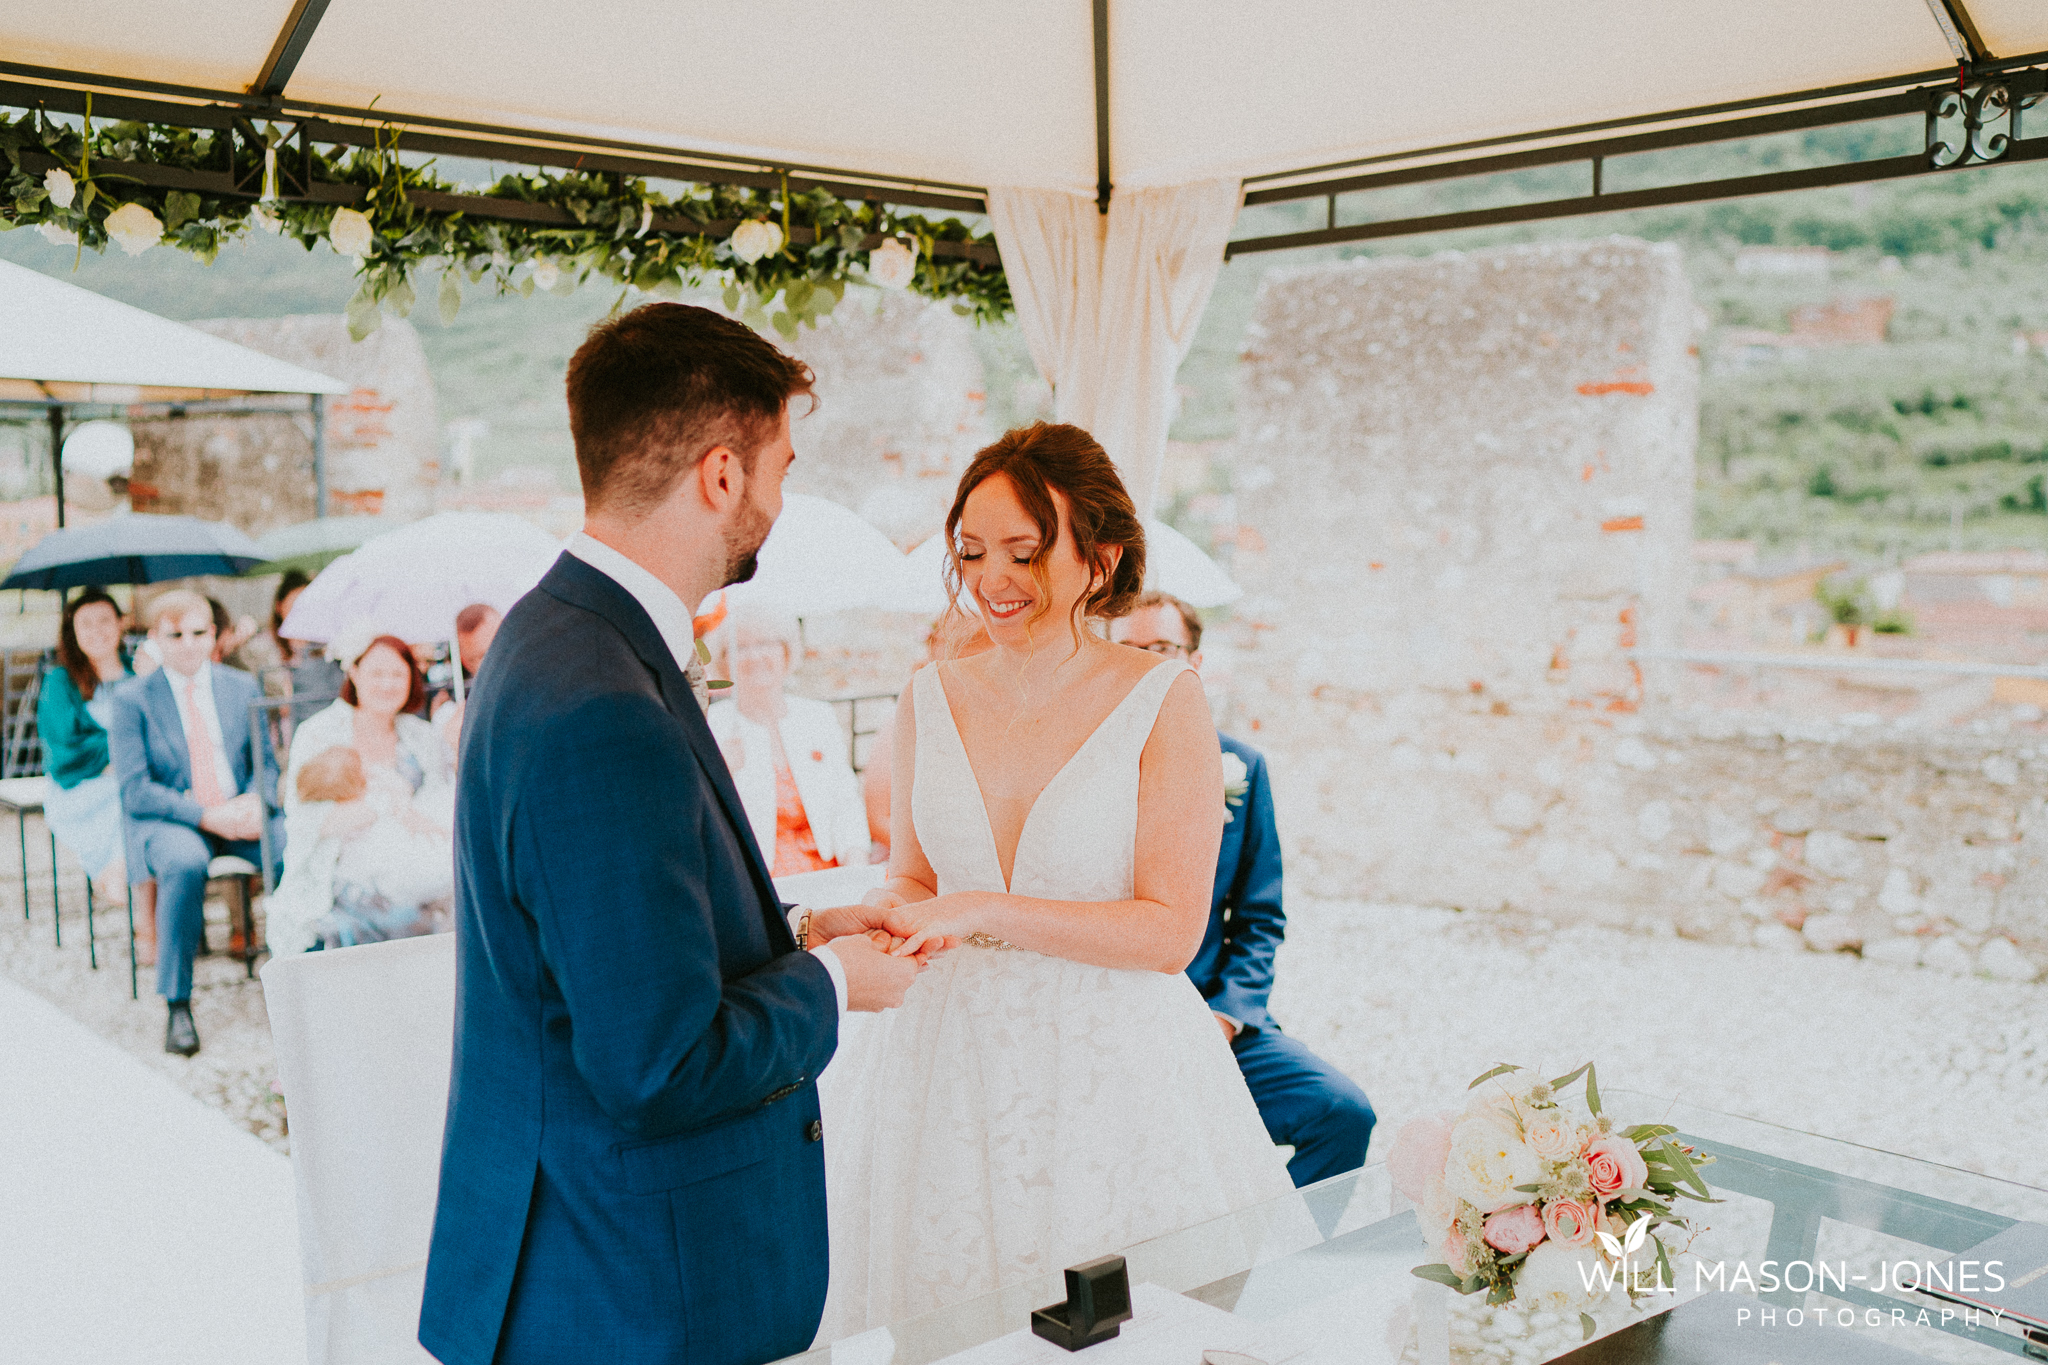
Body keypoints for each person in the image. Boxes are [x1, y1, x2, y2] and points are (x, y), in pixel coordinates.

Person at [419, 303, 927, 1365]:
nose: (782, 498)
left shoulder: (557, 635)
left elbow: (610, 939)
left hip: (590, 1253)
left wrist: (793, 925)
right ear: (721, 474)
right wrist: (835, 980)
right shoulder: (600, 698)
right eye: (781, 465)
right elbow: (658, 1065)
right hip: (629, 1290)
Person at [808, 423, 1295, 1338]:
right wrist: (880, 914)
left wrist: (982, 907)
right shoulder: (928, 694)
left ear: (1100, 555)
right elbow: (915, 876)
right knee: (941, 1323)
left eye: (1025, 552)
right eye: (972, 550)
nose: (993, 578)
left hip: (1108, 1065)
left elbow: (1168, 933)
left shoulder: (1164, 700)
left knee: (1126, 1330)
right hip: (943, 1061)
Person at [1112, 591, 1377, 1186]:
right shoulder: (1080, 764)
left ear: (1194, 663)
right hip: (1110, 1026)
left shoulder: (1239, 766)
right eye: (1127, 650)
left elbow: (1260, 918)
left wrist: (1227, 1017)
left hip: (1210, 1017)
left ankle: (1281, 1269)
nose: (1143, 665)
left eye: (1160, 649)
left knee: (1343, 1113)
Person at [104, 589, 281, 1057]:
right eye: (174, 634)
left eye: (198, 632)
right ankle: (177, 1002)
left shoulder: (241, 687)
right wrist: (208, 816)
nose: (187, 643)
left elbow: (268, 765)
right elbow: (136, 790)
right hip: (173, 820)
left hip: (236, 814)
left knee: (291, 846)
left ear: (215, 635)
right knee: (183, 863)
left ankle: (306, 967)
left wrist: (256, 803)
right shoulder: (131, 699)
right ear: (154, 638)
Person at [266, 630, 455, 954]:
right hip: (340, 872)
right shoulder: (318, 733)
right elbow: (304, 820)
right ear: (353, 672)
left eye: (398, 674)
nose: (387, 684)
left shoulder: (422, 736)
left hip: (416, 868)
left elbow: (442, 807)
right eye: (376, 673)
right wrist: (383, 807)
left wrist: (456, 744)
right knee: (399, 914)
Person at [706, 600, 870, 875]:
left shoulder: (817, 716)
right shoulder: (715, 727)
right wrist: (722, 773)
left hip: (827, 870)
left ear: (785, 652)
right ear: (725, 661)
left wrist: (856, 864)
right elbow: (703, 820)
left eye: (765, 643)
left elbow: (845, 801)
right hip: (756, 880)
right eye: (742, 647)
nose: (755, 656)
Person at [38, 588, 134, 905]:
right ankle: (120, 877)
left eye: (105, 620)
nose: (97, 632)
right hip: (81, 789)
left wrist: (151, 681)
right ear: (74, 632)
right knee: (132, 802)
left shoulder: (139, 673)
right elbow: (63, 751)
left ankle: (122, 881)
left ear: (121, 623)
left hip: (131, 780)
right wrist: (123, 753)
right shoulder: (60, 681)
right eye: (86, 624)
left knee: (144, 798)